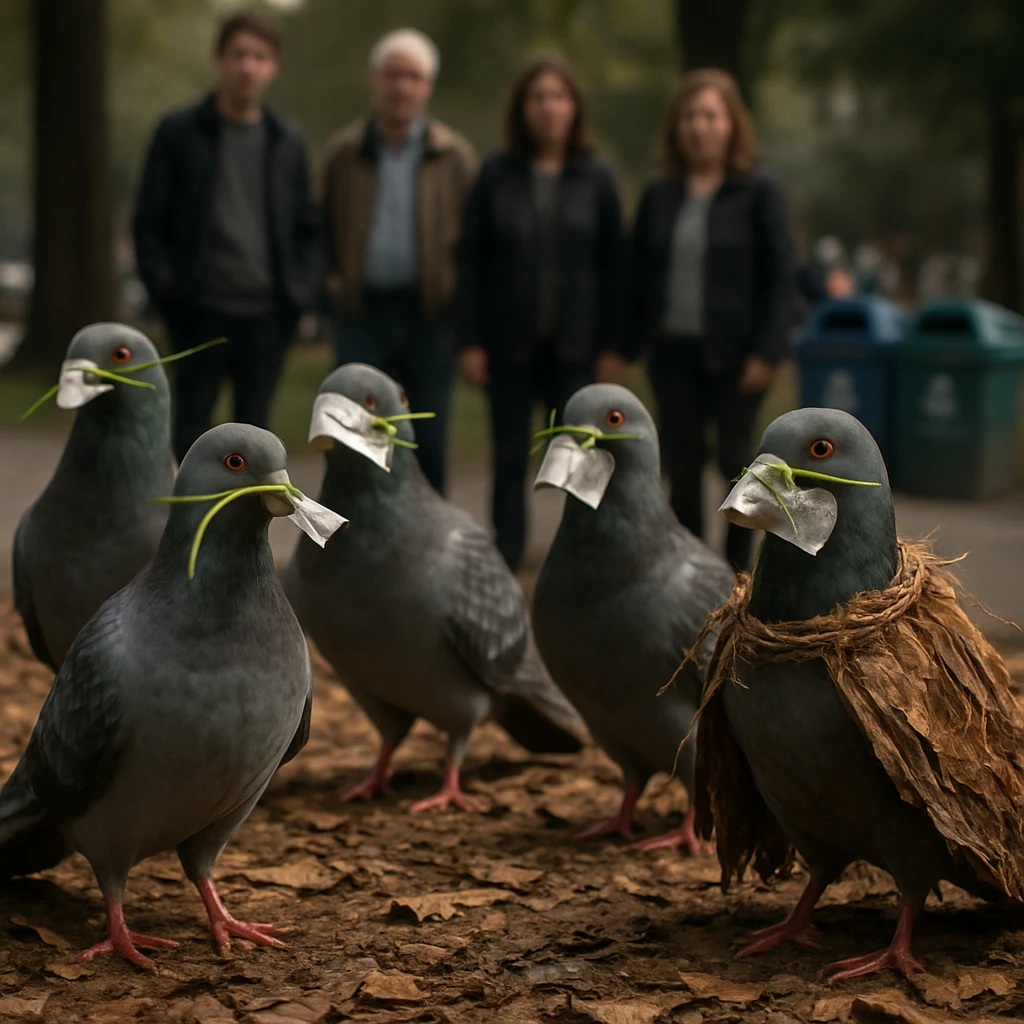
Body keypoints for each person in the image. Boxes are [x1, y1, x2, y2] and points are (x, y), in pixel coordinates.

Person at [455, 58, 626, 573]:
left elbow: (617, 267)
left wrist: (615, 346)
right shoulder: (495, 175)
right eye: (538, 97)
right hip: (508, 345)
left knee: (580, 462)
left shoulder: (597, 179)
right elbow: (471, 262)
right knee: (510, 459)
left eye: (559, 96)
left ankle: (580, 563)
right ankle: (507, 561)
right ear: (522, 109)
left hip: (578, 349)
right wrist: (470, 341)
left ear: (575, 107)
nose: (549, 107)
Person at [133, 12, 323, 463]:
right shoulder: (180, 133)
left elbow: (308, 227)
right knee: (189, 431)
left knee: (255, 440)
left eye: (259, 56)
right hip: (200, 311)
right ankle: (186, 530)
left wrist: (300, 292)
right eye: (238, 54)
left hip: (266, 315)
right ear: (219, 59)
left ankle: (243, 533)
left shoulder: (286, 141)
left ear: (273, 66)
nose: (248, 66)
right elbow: (148, 223)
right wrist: (168, 292)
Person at [630, 68, 795, 570]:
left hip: (737, 355)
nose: (699, 126)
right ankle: (689, 572)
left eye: (710, 115)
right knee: (681, 466)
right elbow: (636, 273)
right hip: (673, 353)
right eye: (689, 116)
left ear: (731, 124)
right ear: (677, 128)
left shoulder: (759, 192)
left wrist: (767, 351)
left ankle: (741, 573)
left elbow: (780, 276)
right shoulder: (660, 195)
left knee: (736, 464)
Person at [322, 29, 478, 496]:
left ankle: (428, 553)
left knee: (427, 438)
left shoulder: (455, 157)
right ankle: (345, 548)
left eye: (413, 76)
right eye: (393, 75)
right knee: (353, 437)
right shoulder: (344, 153)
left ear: (428, 86)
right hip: (360, 313)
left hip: (429, 315)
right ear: (374, 80)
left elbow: (472, 244)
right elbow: (321, 225)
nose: (401, 87)